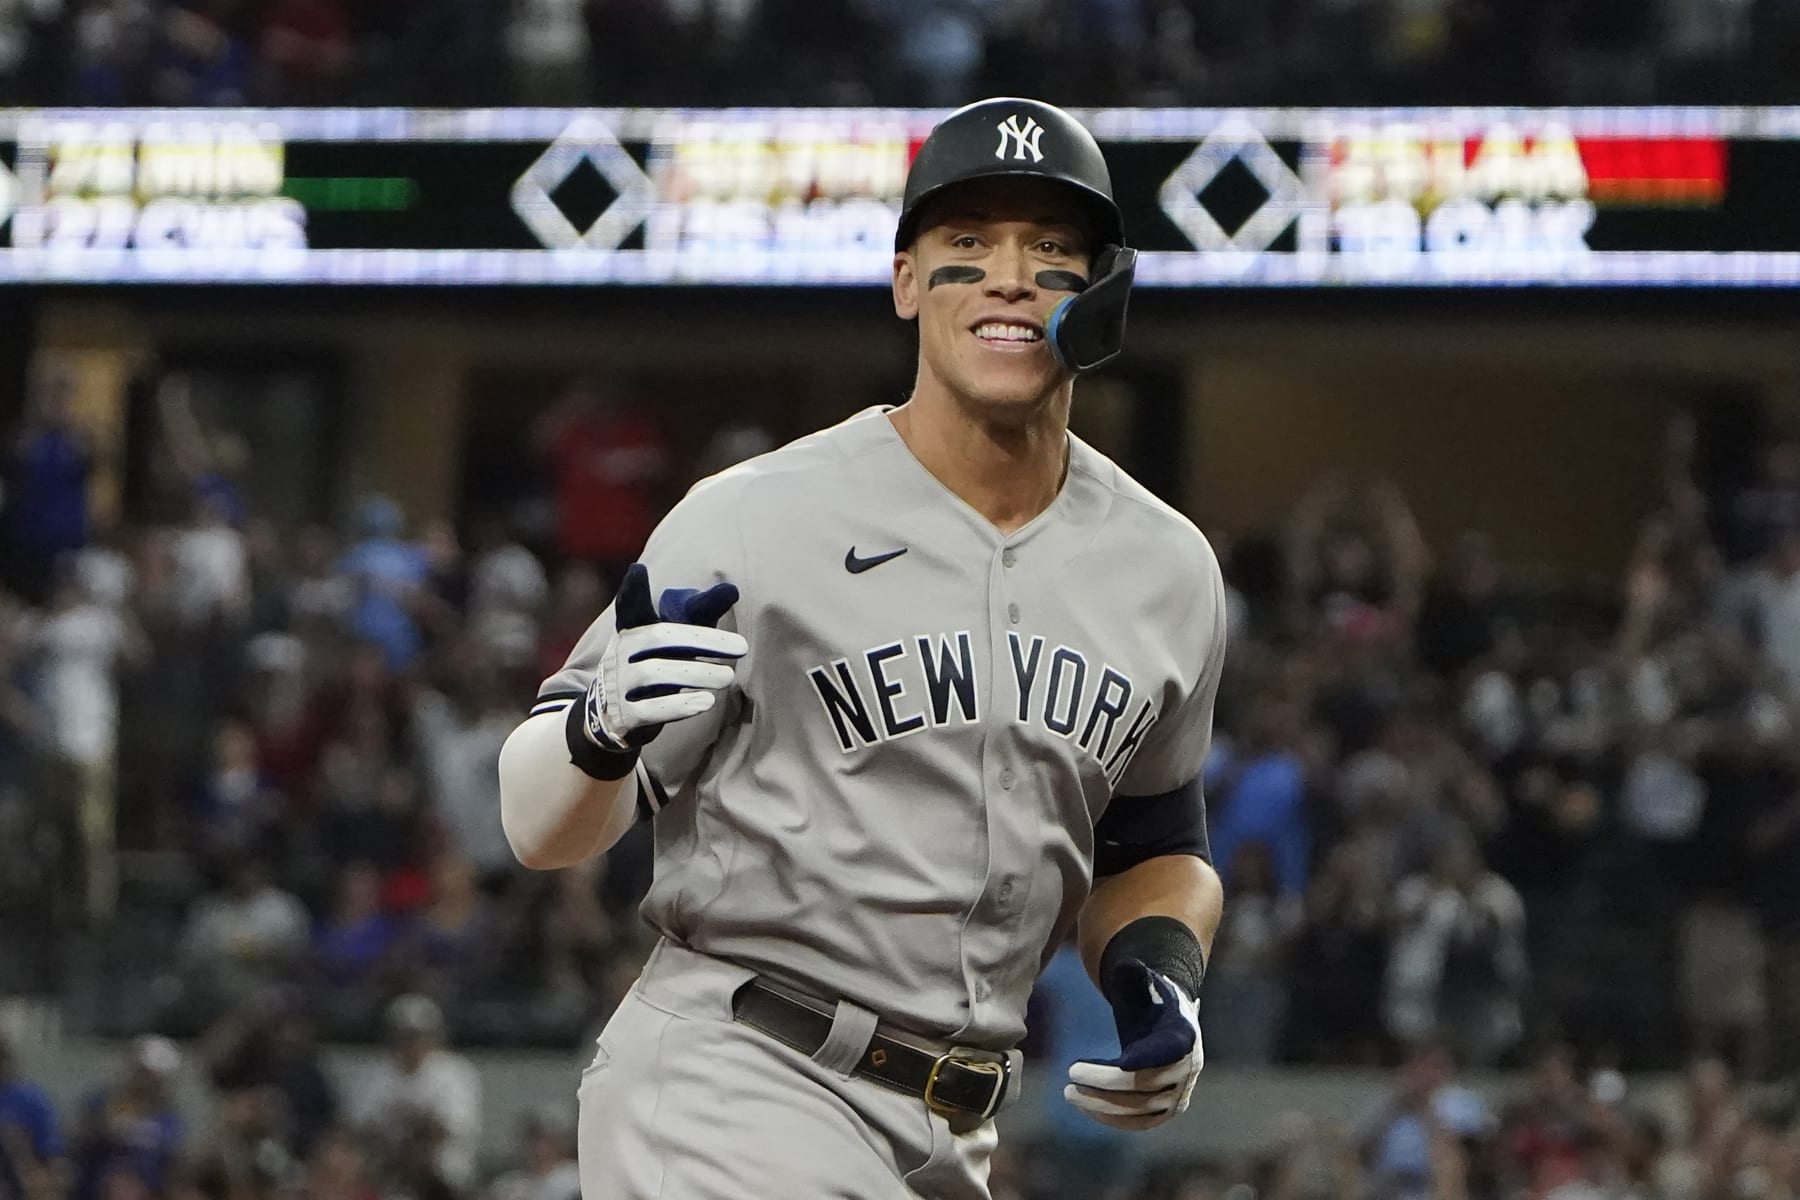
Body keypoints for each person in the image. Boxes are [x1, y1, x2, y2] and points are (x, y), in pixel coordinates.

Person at [500, 97, 1227, 1199]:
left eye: (1050, 248)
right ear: (905, 282)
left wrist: (1158, 971)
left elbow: (1153, 843)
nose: (1009, 276)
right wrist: (598, 735)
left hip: (956, 1126)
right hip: (739, 1077)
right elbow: (538, 829)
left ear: (1106, 289)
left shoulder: (1165, 568)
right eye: (967, 244)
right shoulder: (756, 517)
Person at [353, 994, 481, 1195]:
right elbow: (358, 1129)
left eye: (416, 1035)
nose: (409, 1043)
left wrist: (406, 1123)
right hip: (388, 1176)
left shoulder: (454, 1071)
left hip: (445, 1181)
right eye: (402, 1035)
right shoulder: (377, 1073)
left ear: (434, 1036)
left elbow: (447, 1128)